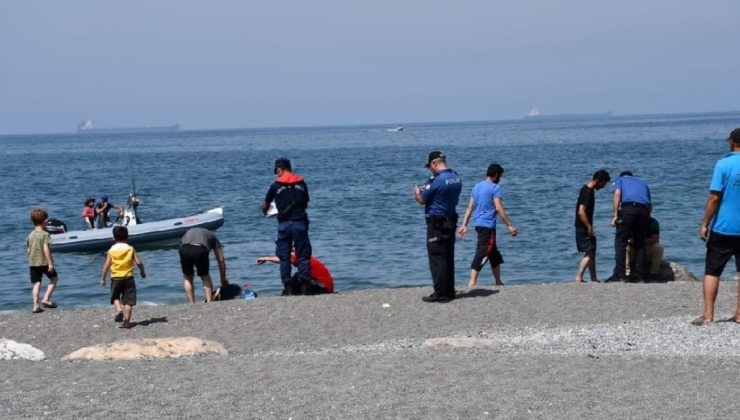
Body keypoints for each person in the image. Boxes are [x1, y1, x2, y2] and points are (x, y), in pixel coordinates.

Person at [693, 128, 740, 325]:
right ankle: (739, 315)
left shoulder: (723, 164)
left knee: (713, 270)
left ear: (731, 142)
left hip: (724, 226)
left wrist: (705, 223)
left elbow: (714, 197)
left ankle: (708, 314)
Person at [458, 163, 518, 287]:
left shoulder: (476, 187)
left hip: (478, 224)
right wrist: (510, 225)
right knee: (483, 251)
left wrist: (464, 224)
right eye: (500, 176)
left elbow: (470, 207)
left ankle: (498, 281)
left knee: (493, 253)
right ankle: (472, 282)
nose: (500, 179)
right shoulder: (495, 188)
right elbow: (499, 208)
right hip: (487, 225)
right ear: (496, 175)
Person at [414, 151, 462, 302]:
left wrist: (417, 192)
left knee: (436, 256)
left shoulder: (437, 180)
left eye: (430, 167)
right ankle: (449, 290)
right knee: (448, 255)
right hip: (450, 220)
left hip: (437, 223)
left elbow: (422, 200)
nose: (430, 170)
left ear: (434, 164)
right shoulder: (455, 177)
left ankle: (440, 292)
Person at [261, 158, 312, 295]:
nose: (276, 174)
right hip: (300, 224)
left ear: (279, 169)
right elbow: (306, 204)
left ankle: (288, 287)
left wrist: (265, 212)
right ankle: (305, 286)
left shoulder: (275, 186)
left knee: (284, 257)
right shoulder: (302, 183)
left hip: (284, 225)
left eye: (276, 171)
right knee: (303, 256)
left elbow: (265, 205)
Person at [606, 171, 652, 282]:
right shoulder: (643, 182)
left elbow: (617, 194)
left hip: (628, 209)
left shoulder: (620, 180)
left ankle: (620, 275)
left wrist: (615, 215)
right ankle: (640, 275)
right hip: (644, 210)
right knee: (640, 243)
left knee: (620, 242)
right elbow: (650, 205)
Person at [100, 226, 146, 329]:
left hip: (116, 278)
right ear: (127, 237)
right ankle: (126, 322)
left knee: (115, 296)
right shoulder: (130, 249)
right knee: (129, 301)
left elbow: (106, 265)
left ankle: (118, 309)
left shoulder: (111, 250)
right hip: (129, 278)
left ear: (113, 238)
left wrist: (103, 278)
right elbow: (138, 262)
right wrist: (142, 272)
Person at [573, 170, 611, 283]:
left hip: (585, 225)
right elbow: (581, 212)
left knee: (592, 251)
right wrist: (589, 227)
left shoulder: (587, 189)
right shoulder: (588, 192)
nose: (604, 186)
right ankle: (579, 277)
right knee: (589, 252)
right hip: (583, 226)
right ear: (599, 181)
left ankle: (593, 278)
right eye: (604, 183)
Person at [178, 227, 228, 303]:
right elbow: (221, 260)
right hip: (199, 249)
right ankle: (209, 302)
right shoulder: (213, 236)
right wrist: (223, 279)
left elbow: (181, 243)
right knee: (205, 276)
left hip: (183, 249)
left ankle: (191, 304)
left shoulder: (190, 231)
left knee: (187, 277)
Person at [24, 208, 59, 313]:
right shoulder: (45, 234)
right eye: (46, 219)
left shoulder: (30, 234)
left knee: (36, 283)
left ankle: (35, 305)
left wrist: (31, 257)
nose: (47, 220)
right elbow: (46, 249)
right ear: (44, 221)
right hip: (44, 262)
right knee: (54, 279)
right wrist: (50, 263)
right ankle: (46, 299)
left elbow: (28, 248)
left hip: (33, 262)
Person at [256, 252, 334, 295]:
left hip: (324, 289)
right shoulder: (305, 256)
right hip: (325, 288)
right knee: (300, 276)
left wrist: (266, 258)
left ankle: (287, 294)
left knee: (298, 276)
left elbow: (283, 260)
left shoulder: (299, 256)